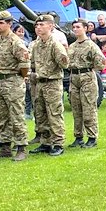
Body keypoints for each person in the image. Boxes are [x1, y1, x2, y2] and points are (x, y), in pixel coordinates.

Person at [0, 10, 31, 161]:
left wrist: (21, 78)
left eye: (1, 23)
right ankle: (5, 146)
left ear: (9, 24)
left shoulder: (16, 41)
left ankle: (21, 147)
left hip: (13, 81)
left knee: (16, 115)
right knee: (1, 116)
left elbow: (24, 64)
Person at [29, 14, 69, 157]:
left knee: (54, 114)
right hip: (39, 83)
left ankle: (58, 143)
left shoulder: (55, 44)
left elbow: (64, 63)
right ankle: (45, 142)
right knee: (40, 114)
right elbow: (32, 64)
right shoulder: (36, 45)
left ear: (50, 26)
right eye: (37, 26)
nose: (38, 28)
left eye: (42, 25)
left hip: (52, 83)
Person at [67, 19, 106, 149]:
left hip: (87, 77)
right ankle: (78, 136)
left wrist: (91, 70)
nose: (75, 29)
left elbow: (102, 61)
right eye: (74, 27)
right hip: (74, 77)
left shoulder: (91, 45)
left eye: (78, 27)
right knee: (76, 108)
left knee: (88, 107)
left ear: (85, 28)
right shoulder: (72, 46)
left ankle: (92, 137)